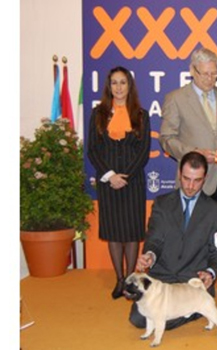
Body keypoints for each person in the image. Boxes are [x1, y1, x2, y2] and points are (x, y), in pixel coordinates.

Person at [159, 47, 217, 289]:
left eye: (214, 74)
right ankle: (189, 289)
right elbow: (166, 138)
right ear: (192, 71)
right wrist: (193, 154)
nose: (210, 79)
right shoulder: (176, 98)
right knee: (192, 236)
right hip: (194, 181)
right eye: (205, 74)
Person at [129, 151, 217, 329]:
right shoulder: (161, 203)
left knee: (160, 319)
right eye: (186, 178)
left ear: (204, 178)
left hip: (192, 281)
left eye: (197, 180)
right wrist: (150, 255)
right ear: (179, 175)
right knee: (139, 319)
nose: (190, 186)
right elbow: (154, 238)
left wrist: (211, 272)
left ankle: (193, 306)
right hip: (162, 278)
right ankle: (193, 310)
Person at [87, 66, 150, 299]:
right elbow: (92, 150)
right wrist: (110, 176)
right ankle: (119, 280)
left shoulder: (141, 115)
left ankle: (131, 280)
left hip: (133, 183)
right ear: (108, 86)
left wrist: (126, 177)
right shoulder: (98, 114)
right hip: (107, 182)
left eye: (123, 82)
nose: (119, 87)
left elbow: (143, 152)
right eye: (114, 83)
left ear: (129, 86)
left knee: (132, 233)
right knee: (114, 232)